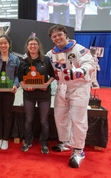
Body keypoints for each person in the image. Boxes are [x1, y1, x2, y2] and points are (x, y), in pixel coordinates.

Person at [46, 24, 95, 168]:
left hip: (79, 87)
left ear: (65, 34)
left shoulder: (79, 49)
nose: (57, 38)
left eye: (59, 34)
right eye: (54, 36)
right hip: (62, 87)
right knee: (59, 116)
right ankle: (66, 142)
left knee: (77, 119)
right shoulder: (51, 54)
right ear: (52, 39)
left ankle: (78, 150)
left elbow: (90, 64)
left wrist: (79, 71)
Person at [18, 36, 55, 154]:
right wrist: (25, 86)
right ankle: (28, 141)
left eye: (35, 44)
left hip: (44, 95)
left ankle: (44, 143)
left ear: (38, 46)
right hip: (29, 95)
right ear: (27, 47)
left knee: (44, 121)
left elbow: (53, 76)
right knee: (28, 120)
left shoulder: (47, 60)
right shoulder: (23, 61)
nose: (33, 46)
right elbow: (20, 79)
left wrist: (46, 84)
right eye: (30, 44)